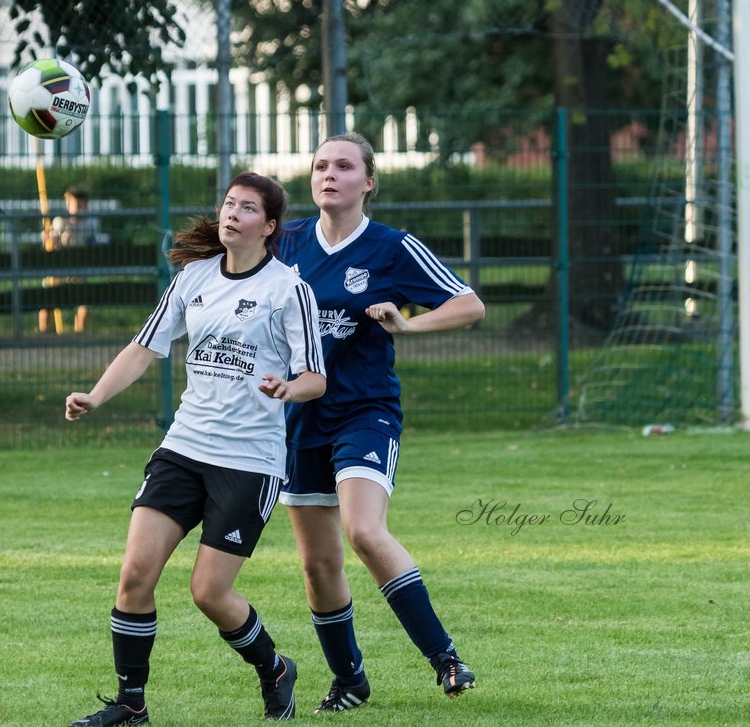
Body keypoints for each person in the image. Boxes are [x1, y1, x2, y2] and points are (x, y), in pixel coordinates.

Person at [66, 171, 327, 726]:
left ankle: (275, 667)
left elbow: (316, 379)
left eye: (248, 208)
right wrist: (95, 395)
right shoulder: (193, 277)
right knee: (136, 573)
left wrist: (288, 387)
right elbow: (144, 348)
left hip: (249, 462)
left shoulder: (289, 289)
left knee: (209, 592)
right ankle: (130, 704)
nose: (232, 213)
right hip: (183, 448)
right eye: (229, 204)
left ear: (270, 225)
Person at [277, 132, 487, 713]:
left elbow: (469, 304)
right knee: (317, 563)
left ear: (368, 182)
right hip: (298, 418)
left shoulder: (392, 248)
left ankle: (445, 658)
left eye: (344, 167)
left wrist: (406, 325)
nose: (329, 175)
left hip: (364, 413)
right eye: (320, 165)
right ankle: (350, 681)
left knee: (364, 531)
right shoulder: (287, 242)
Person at [39, 185, 99, 334]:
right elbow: (51, 246)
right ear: (68, 204)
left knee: (84, 300)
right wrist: (49, 239)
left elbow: (92, 246)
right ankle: (45, 330)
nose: (78, 208)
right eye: (75, 205)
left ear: (86, 205)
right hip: (59, 268)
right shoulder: (60, 222)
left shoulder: (90, 224)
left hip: (78, 269)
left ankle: (80, 331)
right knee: (46, 294)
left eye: (81, 205)